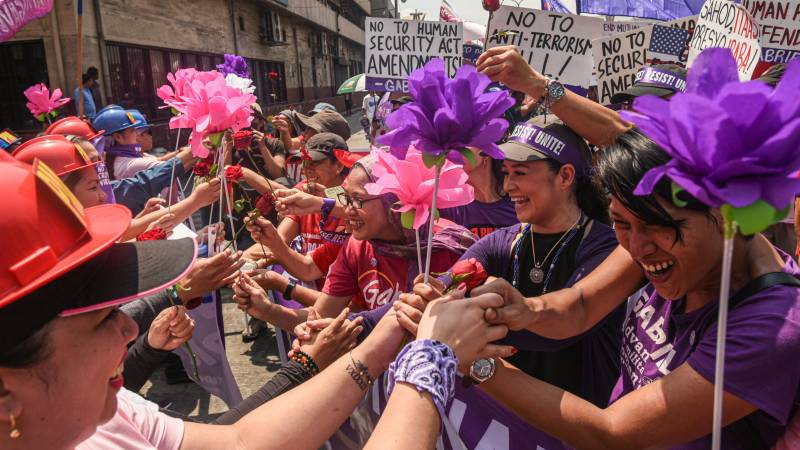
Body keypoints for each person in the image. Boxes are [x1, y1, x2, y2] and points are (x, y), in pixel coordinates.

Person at [0, 156, 461, 450]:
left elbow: (240, 440)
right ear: (5, 394)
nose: (129, 329)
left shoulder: (114, 416)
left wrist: (371, 343)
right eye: (103, 318)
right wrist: (426, 364)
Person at [399, 117, 623, 409]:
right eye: (505, 173)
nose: (508, 186)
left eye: (519, 172)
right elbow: (446, 284)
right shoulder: (502, 242)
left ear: (565, 177)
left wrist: (451, 323)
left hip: (581, 427)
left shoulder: (605, 246)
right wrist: (416, 305)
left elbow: (561, 332)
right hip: (511, 424)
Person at [238, 153, 477, 331]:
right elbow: (320, 319)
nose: (348, 210)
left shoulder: (449, 250)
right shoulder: (357, 246)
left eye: (358, 200)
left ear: (393, 203)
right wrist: (269, 311)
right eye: (347, 198)